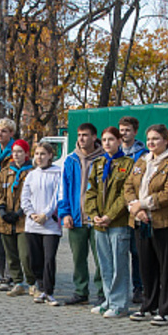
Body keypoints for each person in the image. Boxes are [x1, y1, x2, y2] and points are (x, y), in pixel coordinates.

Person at [124, 124, 168, 325]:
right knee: (146, 266)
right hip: (140, 220)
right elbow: (128, 185)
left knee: (166, 267)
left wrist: (143, 204)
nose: (151, 142)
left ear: (166, 140)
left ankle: (167, 310)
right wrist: (135, 208)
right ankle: (148, 305)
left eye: (156, 138)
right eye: (149, 139)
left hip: (164, 223)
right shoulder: (143, 160)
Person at [84, 127, 135, 317]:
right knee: (105, 265)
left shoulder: (128, 164)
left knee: (119, 265)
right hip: (100, 223)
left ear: (119, 141)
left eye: (111, 139)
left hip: (117, 223)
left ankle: (119, 304)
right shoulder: (99, 163)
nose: (107, 143)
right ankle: (108, 300)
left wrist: (110, 215)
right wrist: (94, 214)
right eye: (104, 140)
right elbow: (91, 191)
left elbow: (125, 194)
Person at [58, 122, 104, 306]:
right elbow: (63, 189)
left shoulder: (103, 158)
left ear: (94, 137)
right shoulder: (70, 160)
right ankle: (80, 291)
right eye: (79, 135)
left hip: (97, 219)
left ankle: (103, 292)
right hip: (76, 218)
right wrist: (65, 213)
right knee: (78, 258)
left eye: (85, 135)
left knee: (101, 259)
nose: (81, 139)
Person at [22, 142, 64, 305]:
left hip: (50, 224)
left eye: (43, 154)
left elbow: (57, 196)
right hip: (33, 224)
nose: (39, 157)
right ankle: (40, 287)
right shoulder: (31, 175)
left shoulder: (57, 173)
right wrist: (31, 213)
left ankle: (49, 291)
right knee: (35, 258)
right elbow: (25, 197)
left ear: (50, 156)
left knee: (49, 258)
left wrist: (46, 214)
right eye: (37, 154)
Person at [0, 139, 36, 296]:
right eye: (14, 152)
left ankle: (31, 282)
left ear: (26, 153)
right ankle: (18, 282)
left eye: (20, 151)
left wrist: (19, 212)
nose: (16, 155)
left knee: (26, 255)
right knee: (11, 255)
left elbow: (33, 195)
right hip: (5, 220)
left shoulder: (32, 172)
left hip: (23, 220)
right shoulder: (5, 172)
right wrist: (2, 210)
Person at [119, 115, 147, 304]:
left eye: (127, 130)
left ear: (135, 132)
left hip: (136, 208)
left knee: (137, 252)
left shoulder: (143, 155)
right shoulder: (115, 151)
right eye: (121, 130)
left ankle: (139, 288)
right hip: (117, 210)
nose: (124, 134)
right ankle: (119, 289)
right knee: (119, 252)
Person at [0, 119, 18, 286]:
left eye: (4, 131)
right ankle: (2, 274)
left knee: (8, 240)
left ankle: (10, 276)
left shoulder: (16, 151)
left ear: (11, 133)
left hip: (10, 199)